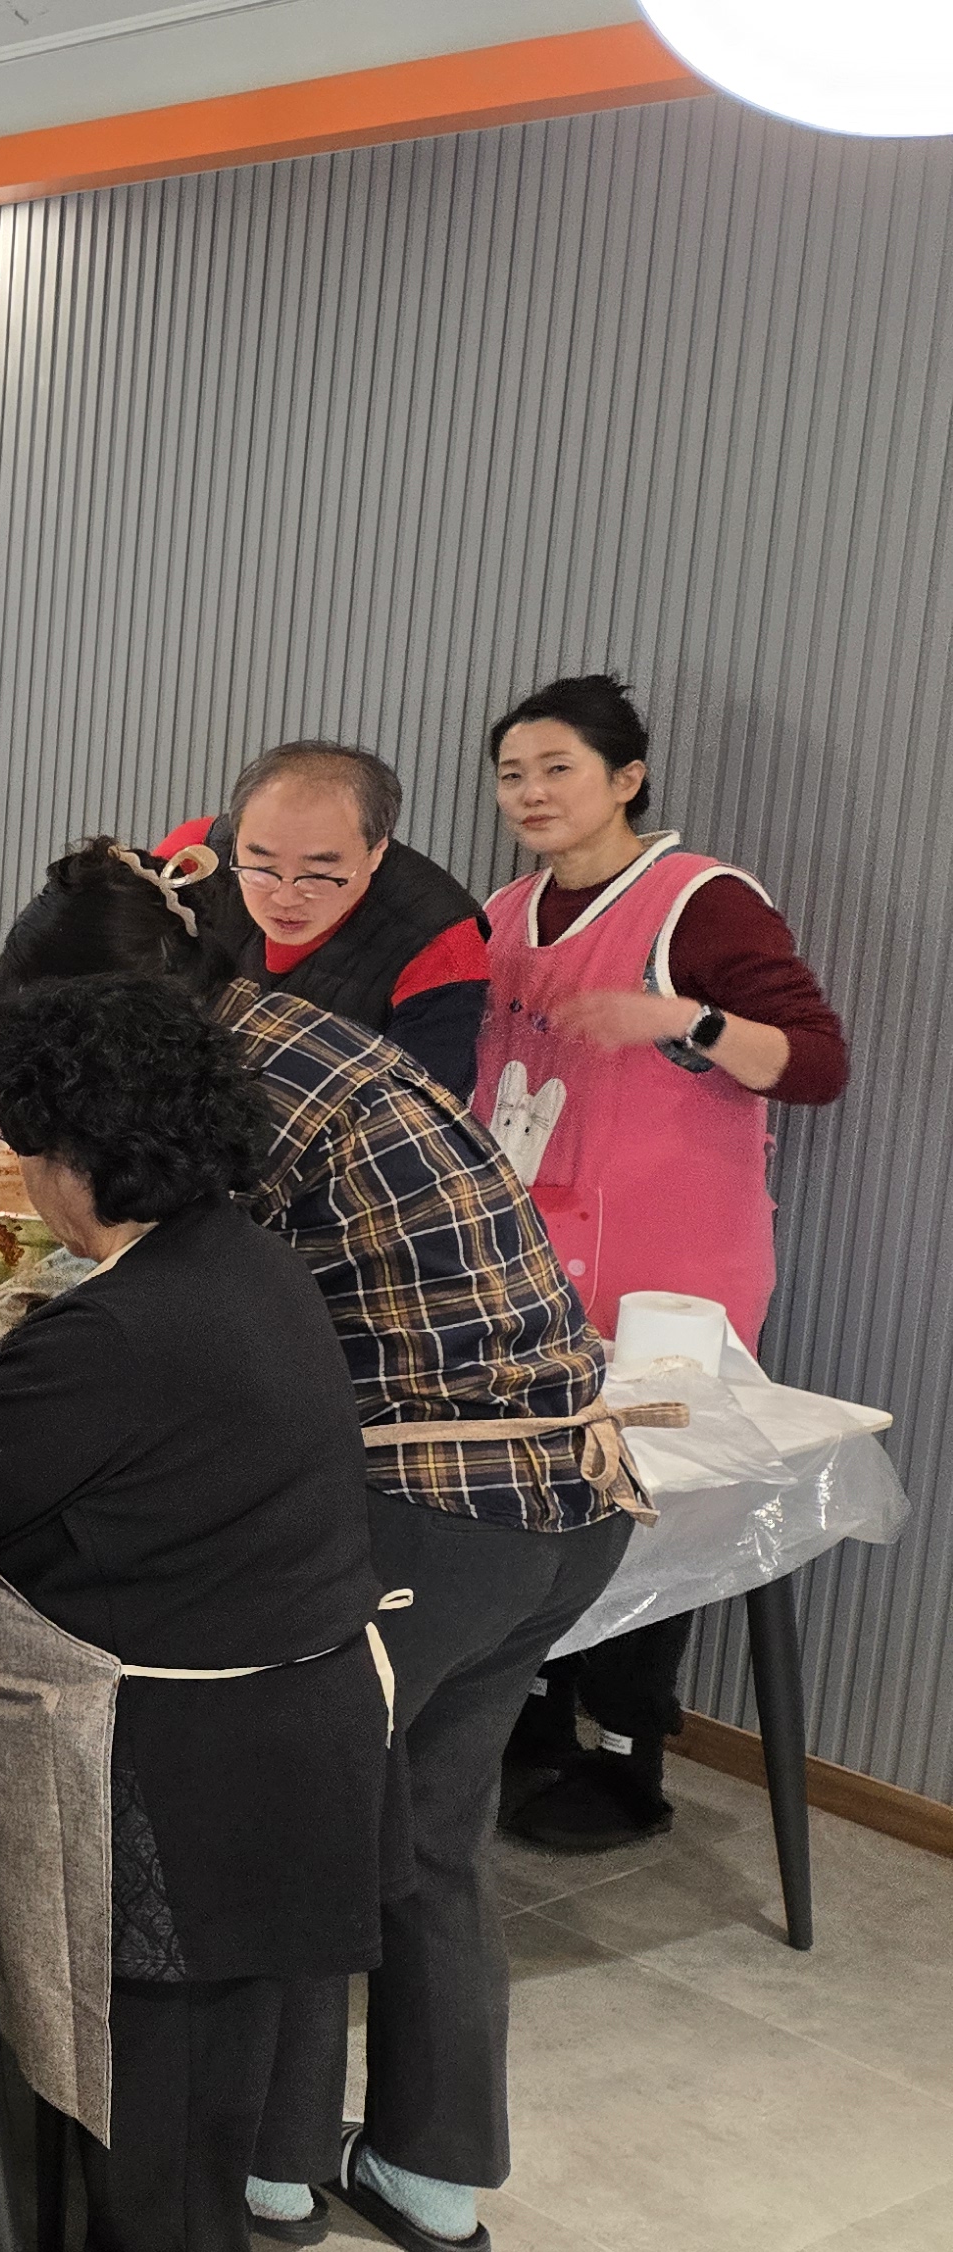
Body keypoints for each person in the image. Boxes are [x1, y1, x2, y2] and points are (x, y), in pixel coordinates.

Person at [0, 841, 624, 2252]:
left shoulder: (222, 1096)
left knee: (288, 1826)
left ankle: (267, 2171)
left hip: (434, 1496)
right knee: (426, 1835)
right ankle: (427, 2174)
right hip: (570, 1494)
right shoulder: (290, 1031)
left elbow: (202, 1333)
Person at [0, 973, 392, 2252]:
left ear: (79, 1154)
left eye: (30, 1153)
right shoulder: (253, 1262)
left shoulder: (114, 1329)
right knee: (200, 2116)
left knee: (153, 2142)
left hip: (182, 1776)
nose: (29, 1181)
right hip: (299, 1740)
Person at [479, 674, 852, 1852]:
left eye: (557, 768)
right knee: (529, 1485)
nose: (531, 792)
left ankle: (628, 1755)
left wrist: (680, 1019)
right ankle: (533, 1717)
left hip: (667, 1267)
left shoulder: (701, 900)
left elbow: (816, 1064)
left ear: (625, 778)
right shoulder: (503, 911)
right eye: (511, 774)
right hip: (528, 1252)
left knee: (646, 1496)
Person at [155, 738, 492, 1094]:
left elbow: (420, 1111)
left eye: (317, 874)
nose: (285, 898)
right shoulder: (196, 858)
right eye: (261, 867)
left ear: (377, 851)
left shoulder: (439, 941)